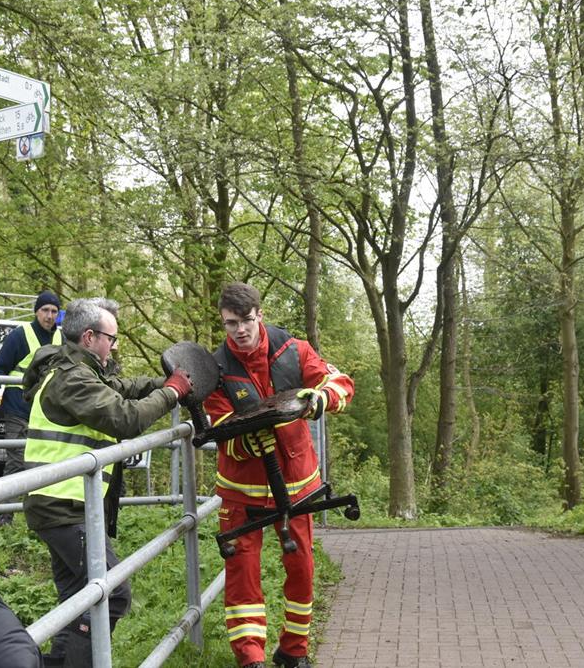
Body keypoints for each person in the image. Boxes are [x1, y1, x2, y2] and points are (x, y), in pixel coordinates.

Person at [21, 297, 192, 667]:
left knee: (76, 601)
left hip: (64, 506)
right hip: (63, 508)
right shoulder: (71, 378)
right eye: (111, 339)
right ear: (89, 336)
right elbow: (122, 416)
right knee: (112, 595)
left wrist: (168, 382)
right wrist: (172, 393)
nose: (114, 346)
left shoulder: (83, 371)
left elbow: (123, 388)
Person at [203, 283, 354, 668]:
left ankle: (294, 652)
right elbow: (220, 429)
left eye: (246, 321)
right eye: (230, 323)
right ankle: (250, 659)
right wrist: (246, 444)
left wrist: (320, 398)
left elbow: (340, 383)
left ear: (260, 316)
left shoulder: (294, 350)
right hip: (242, 492)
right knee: (243, 577)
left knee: (302, 568)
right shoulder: (215, 370)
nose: (239, 330)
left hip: (297, 485)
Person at [0, 290, 63, 524]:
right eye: (45, 310)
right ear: (36, 311)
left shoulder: (62, 339)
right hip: (18, 410)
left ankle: (39, 518)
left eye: (53, 311)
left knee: (45, 465)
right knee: (17, 464)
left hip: (47, 413)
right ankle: (5, 521)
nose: (49, 315)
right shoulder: (20, 336)